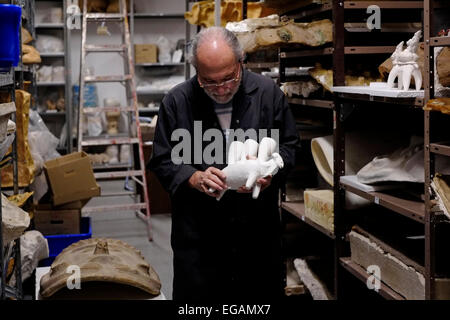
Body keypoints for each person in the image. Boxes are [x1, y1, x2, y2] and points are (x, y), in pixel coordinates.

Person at [148, 26, 299, 301]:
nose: (221, 89)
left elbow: (290, 147)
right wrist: (192, 177)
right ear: (196, 72)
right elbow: (161, 158)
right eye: (210, 81)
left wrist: (269, 173)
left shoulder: (268, 94)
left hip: (257, 236)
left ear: (241, 62)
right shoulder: (177, 101)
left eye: (229, 78)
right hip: (199, 239)